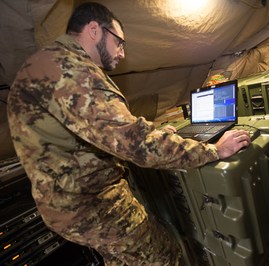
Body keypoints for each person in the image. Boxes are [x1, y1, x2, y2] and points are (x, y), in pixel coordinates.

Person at [7, 2, 250, 265]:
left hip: (65, 204)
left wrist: (156, 132)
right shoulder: (72, 70)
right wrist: (215, 150)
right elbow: (136, 144)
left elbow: (94, 134)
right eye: (119, 42)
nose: (122, 53)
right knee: (164, 254)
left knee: (122, 259)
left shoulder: (44, 62)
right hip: (91, 204)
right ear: (94, 30)